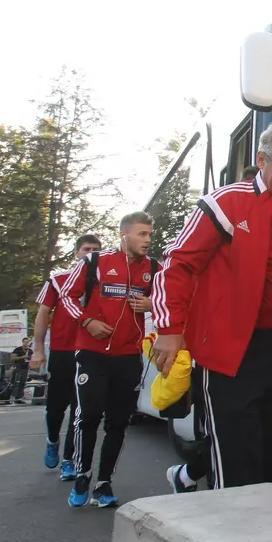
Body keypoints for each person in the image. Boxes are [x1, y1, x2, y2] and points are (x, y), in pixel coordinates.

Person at [151, 121, 272, 492]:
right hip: (227, 348)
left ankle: (260, 518)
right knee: (235, 451)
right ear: (262, 161)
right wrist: (169, 330)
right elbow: (178, 264)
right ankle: (229, 519)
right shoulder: (224, 204)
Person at [58, 212, 160, 508]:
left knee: (119, 421)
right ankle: (82, 475)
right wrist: (87, 321)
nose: (147, 240)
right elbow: (67, 296)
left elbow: (172, 300)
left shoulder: (154, 268)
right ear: (123, 235)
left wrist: (152, 303)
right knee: (88, 415)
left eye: (149, 234)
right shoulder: (94, 262)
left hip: (128, 356)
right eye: (141, 234)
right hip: (92, 354)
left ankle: (104, 483)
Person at [33, 234, 102, 477]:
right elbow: (43, 313)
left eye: (95, 250)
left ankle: (69, 460)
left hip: (91, 352)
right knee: (56, 407)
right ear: (76, 253)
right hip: (62, 351)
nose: (90, 253)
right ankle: (52, 440)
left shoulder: (105, 282)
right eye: (86, 249)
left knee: (80, 408)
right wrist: (38, 349)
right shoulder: (58, 280)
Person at [10, 338, 33, 403]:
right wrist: (22, 357)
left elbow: (31, 358)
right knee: (16, 383)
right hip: (18, 368)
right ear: (22, 342)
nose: (26, 343)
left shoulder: (30, 350)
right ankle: (13, 398)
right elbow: (12, 358)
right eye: (25, 342)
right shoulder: (18, 349)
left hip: (26, 368)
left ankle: (19, 398)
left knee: (22, 384)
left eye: (27, 342)